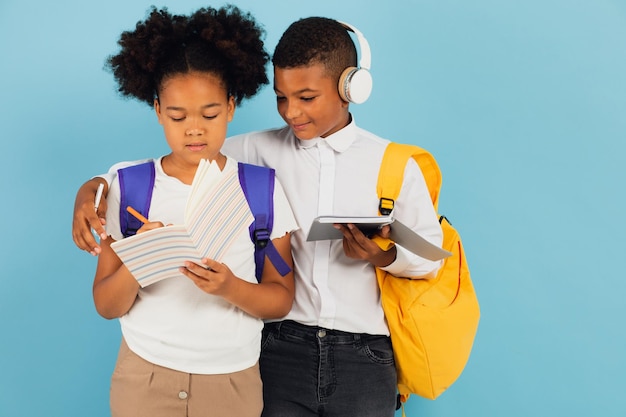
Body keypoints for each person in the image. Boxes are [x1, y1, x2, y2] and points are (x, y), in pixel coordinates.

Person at [73, 17, 443, 417]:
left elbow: (430, 257)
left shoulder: (392, 165)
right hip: (278, 347)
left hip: (363, 351)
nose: (291, 113)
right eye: (282, 98)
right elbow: (176, 160)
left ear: (350, 88)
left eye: (305, 97)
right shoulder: (253, 148)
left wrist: (381, 256)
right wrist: (91, 187)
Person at [87, 6, 297, 417]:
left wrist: (230, 287)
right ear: (158, 110)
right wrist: (142, 259)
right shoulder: (131, 187)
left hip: (232, 382)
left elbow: (281, 298)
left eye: (211, 114)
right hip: (143, 376)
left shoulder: (260, 189)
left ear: (232, 107)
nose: (194, 128)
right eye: (178, 116)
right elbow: (106, 304)